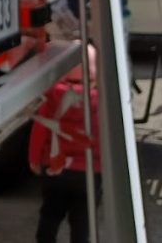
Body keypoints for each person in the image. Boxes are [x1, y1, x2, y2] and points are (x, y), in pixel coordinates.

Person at [29, 45, 101, 243]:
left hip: (55, 168)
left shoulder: (52, 95)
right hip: (89, 171)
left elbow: (39, 130)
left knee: (50, 213)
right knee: (82, 219)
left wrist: (34, 158)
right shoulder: (100, 101)